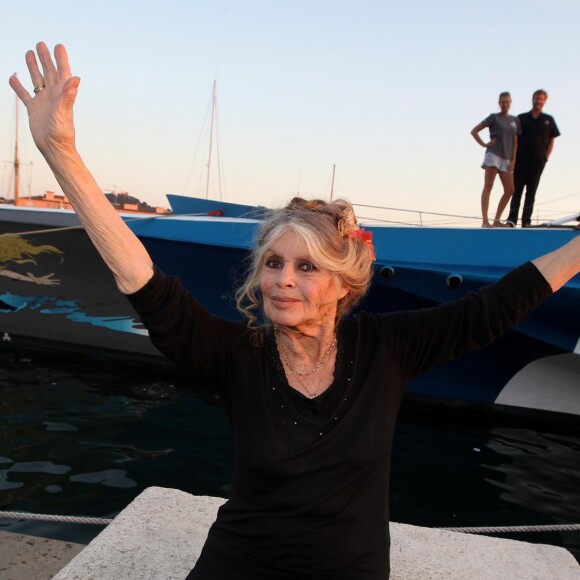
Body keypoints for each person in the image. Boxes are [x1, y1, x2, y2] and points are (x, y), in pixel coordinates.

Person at [10, 43, 580, 580]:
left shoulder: (388, 347)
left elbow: (495, 307)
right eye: (274, 263)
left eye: (306, 268)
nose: (283, 280)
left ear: (342, 282)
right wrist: (61, 151)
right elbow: (143, 279)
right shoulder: (238, 356)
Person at [507, 89, 560, 227]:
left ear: (544, 101)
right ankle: (512, 220)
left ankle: (526, 222)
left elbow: (552, 139)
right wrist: (512, 158)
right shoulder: (521, 118)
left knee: (531, 192)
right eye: (536, 98)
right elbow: (514, 139)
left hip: (537, 162)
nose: (538, 101)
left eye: (541, 99)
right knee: (516, 190)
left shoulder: (548, 120)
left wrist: (545, 158)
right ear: (532, 99)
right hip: (521, 160)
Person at [471, 92, 520, 228]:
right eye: (502, 102)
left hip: (507, 158)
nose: (505, 104)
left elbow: (516, 140)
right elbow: (474, 131)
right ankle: (485, 221)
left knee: (510, 189)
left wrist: (514, 159)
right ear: (499, 103)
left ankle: (497, 219)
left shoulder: (515, 120)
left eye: (507, 102)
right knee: (488, 186)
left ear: (510, 103)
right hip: (494, 154)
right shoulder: (493, 118)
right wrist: (484, 144)